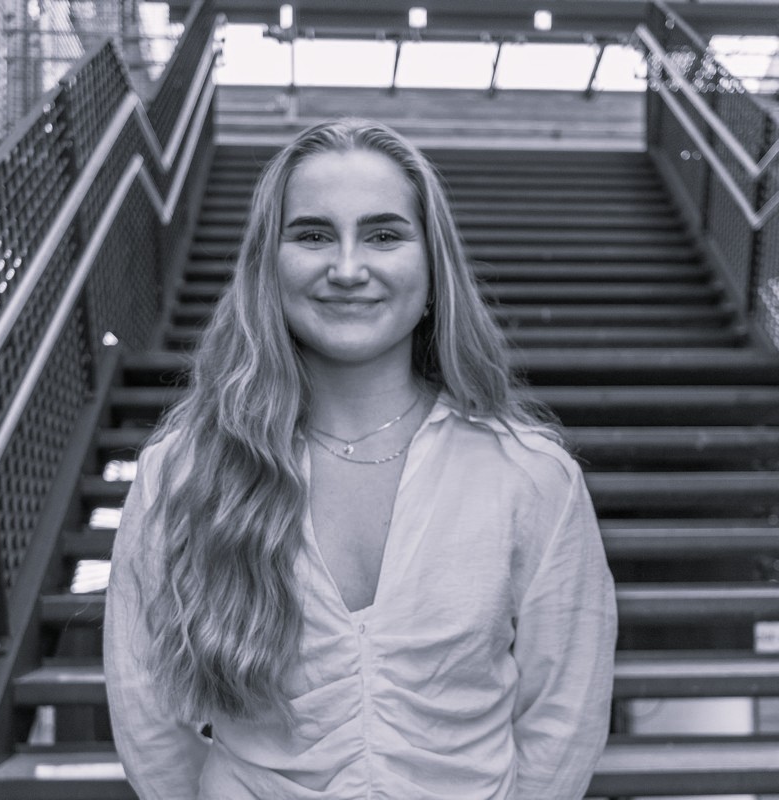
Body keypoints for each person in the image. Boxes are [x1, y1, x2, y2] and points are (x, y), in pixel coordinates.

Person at [104, 118, 618, 800]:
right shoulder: (183, 473)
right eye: (313, 235)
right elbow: (148, 711)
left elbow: (563, 716)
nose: (348, 270)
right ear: (268, 266)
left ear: (432, 269)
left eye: (383, 235)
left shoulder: (531, 477)